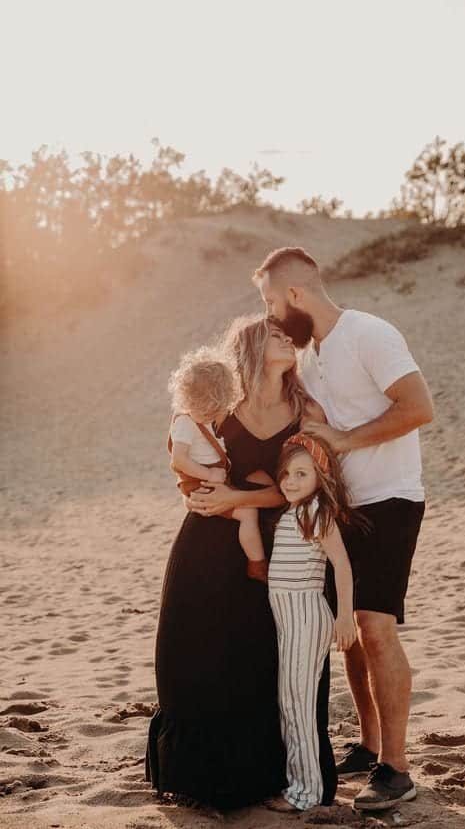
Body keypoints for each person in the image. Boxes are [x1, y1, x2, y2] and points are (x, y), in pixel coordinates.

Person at [253, 247, 434, 811]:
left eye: (271, 302)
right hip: (342, 507)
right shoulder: (311, 358)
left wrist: (345, 439)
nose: (270, 314)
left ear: (295, 294)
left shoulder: (369, 333)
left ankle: (396, 769)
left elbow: (419, 407)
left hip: (391, 498)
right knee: (349, 631)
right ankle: (370, 744)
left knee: (376, 629)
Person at [146, 314, 333, 809]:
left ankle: (270, 776)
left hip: (277, 553)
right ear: (250, 346)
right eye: (275, 335)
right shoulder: (222, 406)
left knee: (262, 660)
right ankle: (201, 778)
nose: (288, 340)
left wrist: (235, 497)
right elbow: (181, 451)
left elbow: (300, 487)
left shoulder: (305, 410)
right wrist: (204, 492)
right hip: (206, 544)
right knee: (196, 653)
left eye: (288, 336)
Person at [265, 433, 357, 813]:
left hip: (305, 615)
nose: (290, 481)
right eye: (286, 473)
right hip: (288, 619)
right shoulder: (292, 512)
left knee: (297, 706)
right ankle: (301, 784)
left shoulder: (316, 511)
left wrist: (345, 616)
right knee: (290, 702)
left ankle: (305, 793)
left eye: (302, 473)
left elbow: (342, 565)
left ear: (321, 475)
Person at [167, 346, 271, 582]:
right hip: (200, 481)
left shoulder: (205, 419)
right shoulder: (184, 422)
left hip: (210, 477)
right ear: (188, 399)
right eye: (204, 410)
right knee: (248, 513)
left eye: (214, 410)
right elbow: (178, 460)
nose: (209, 415)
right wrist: (208, 474)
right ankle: (257, 564)